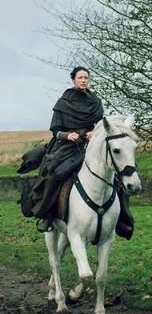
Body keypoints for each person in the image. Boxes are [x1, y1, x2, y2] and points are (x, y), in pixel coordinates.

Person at [30, 67, 104, 232]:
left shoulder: (95, 102)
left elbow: (100, 123)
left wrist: (94, 132)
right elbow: (55, 130)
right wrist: (67, 135)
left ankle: (120, 218)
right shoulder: (63, 102)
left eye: (86, 77)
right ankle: (47, 215)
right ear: (73, 80)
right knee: (54, 174)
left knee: (114, 172)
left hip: (89, 144)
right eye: (80, 77)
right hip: (66, 147)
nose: (84, 80)